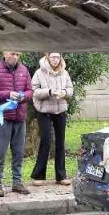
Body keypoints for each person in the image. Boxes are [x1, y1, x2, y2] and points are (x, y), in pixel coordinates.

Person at [0, 51, 33, 198]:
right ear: (4, 53)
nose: (15, 56)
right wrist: (8, 94)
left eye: (18, 54)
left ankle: (17, 183)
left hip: (20, 117)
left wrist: (23, 96)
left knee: (18, 152)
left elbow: (30, 91)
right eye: (13, 53)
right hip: (3, 118)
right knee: (0, 152)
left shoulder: (24, 70)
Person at [30, 52, 74, 186]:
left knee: (61, 142)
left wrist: (64, 93)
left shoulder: (64, 73)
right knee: (46, 141)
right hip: (45, 111)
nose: (55, 60)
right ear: (47, 57)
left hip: (60, 110)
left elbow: (70, 89)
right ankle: (39, 175)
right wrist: (49, 92)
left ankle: (61, 176)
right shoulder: (39, 72)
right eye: (53, 57)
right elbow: (34, 91)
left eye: (57, 57)